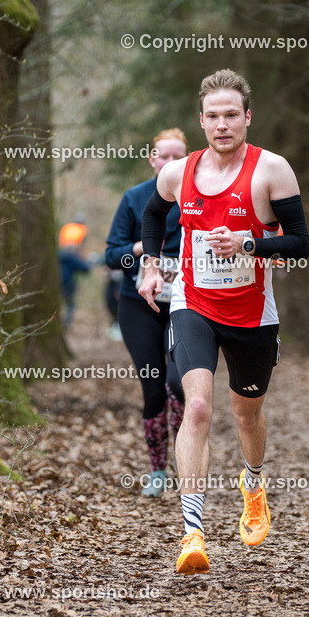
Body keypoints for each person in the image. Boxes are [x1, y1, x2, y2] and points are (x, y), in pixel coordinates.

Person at [139, 70, 309, 573]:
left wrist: (249, 243)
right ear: (201, 121)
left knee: (246, 415)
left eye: (231, 114)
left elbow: (300, 244)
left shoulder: (272, 170)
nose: (222, 124)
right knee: (196, 407)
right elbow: (153, 216)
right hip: (193, 304)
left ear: (247, 117)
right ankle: (193, 531)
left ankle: (252, 483)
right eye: (212, 116)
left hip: (253, 315)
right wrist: (152, 262)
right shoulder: (179, 173)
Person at [106, 129, 188, 497]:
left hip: (186, 306)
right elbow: (112, 255)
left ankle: (185, 461)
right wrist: (143, 248)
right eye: (164, 157)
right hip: (138, 307)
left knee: (179, 385)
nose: (171, 163)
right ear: (152, 160)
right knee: (154, 388)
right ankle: (157, 470)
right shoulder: (135, 198)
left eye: (178, 157)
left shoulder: (199, 197)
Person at [58, 215, 92, 329]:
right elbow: (84, 267)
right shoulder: (81, 230)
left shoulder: (67, 228)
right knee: (70, 302)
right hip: (68, 280)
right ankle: (67, 322)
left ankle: (62, 320)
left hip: (60, 273)